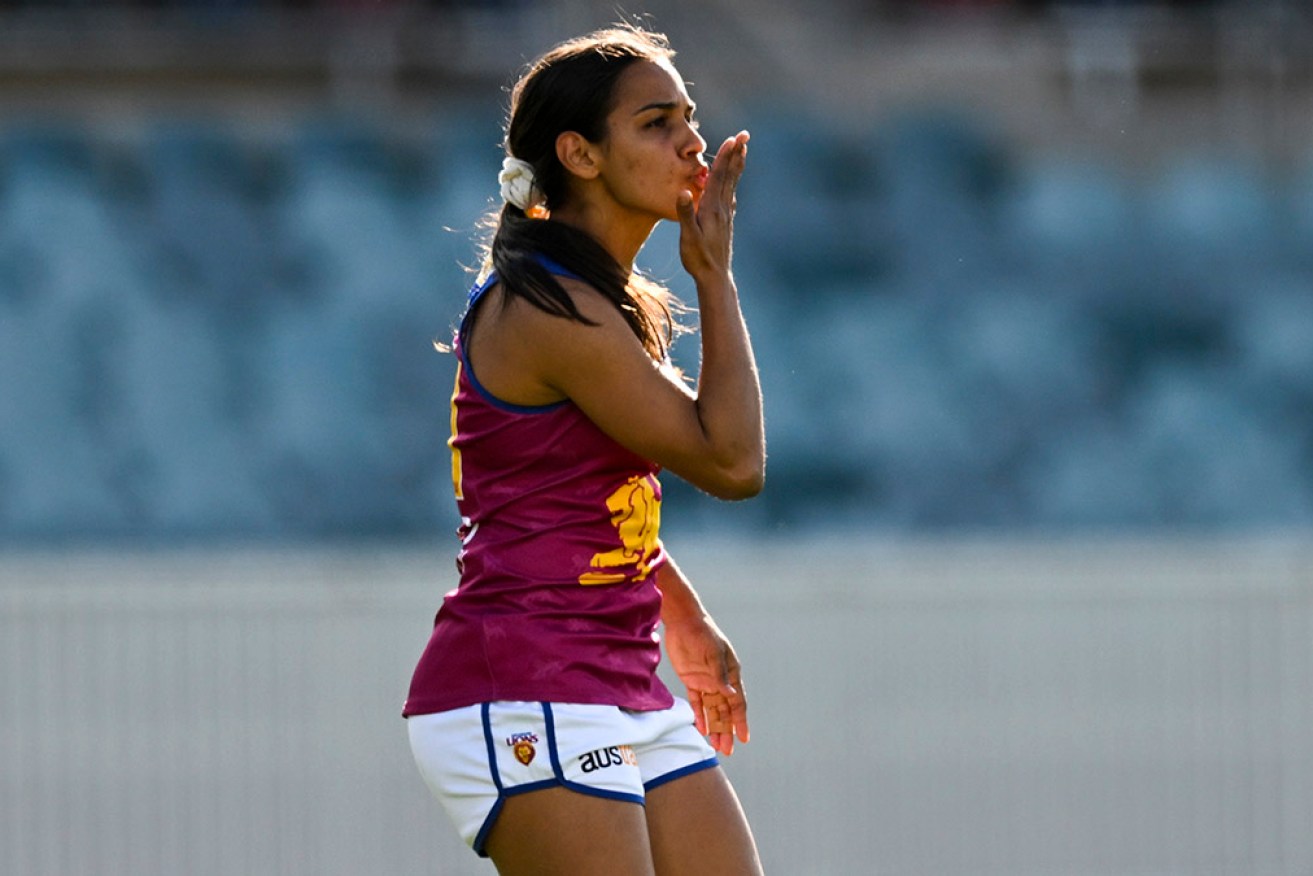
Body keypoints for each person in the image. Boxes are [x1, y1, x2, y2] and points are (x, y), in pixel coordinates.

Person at [404, 22, 765, 876]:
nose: (690, 141)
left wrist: (675, 604)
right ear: (579, 154)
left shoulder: (592, 302)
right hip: (519, 683)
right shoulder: (550, 309)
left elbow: (569, 491)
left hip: (612, 678)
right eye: (654, 122)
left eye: (688, 115)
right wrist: (714, 275)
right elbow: (733, 464)